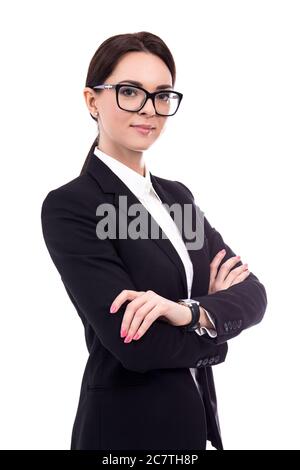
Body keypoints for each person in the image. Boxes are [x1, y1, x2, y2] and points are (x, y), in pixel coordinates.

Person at [41, 31, 267, 450]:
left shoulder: (177, 197)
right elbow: (138, 348)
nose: (149, 110)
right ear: (92, 101)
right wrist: (213, 327)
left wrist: (187, 312)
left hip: (195, 431)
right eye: (130, 91)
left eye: (161, 95)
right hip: (125, 435)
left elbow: (254, 294)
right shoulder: (72, 206)